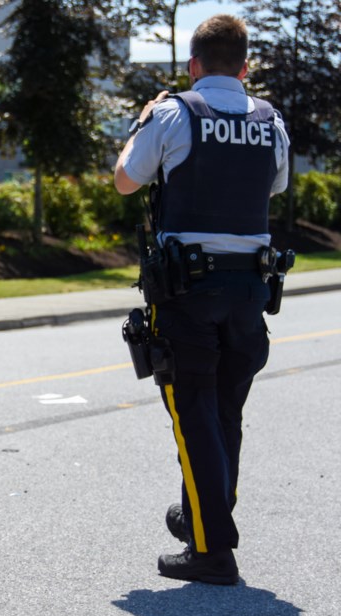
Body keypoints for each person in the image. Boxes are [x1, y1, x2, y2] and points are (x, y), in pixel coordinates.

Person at [114, 14, 290, 585]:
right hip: (248, 294)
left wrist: (141, 125)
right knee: (224, 416)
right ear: (244, 67)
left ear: (193, 65)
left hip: (188, 294)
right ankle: (200, 517)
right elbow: (275, 185)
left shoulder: (174, 112)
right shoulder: (272, 123)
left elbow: (125, 180)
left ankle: (212, 550)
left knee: (194, 417)